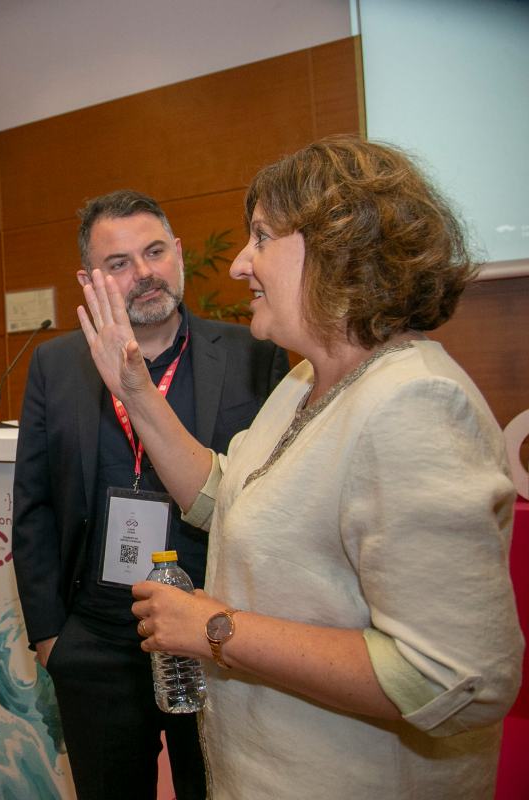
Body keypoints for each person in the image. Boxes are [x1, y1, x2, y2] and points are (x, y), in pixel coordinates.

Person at [78, 136, 523, 799]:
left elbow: (457, 679)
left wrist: (216, 629)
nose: (238, 265)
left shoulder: (415, 403)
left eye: (261, 238)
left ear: (338, 247)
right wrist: (137, 391)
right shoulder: (306, 382)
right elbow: (224, 494)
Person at [11, 190, 286, 799]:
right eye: (119, 263)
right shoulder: (56, 365)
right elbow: (31, 507)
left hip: (211, 639)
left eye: (155, 251)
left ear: (179, 254)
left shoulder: (252, 355)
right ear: (90, 281)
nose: (144, 273)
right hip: (95, 643)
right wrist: (53, 638)